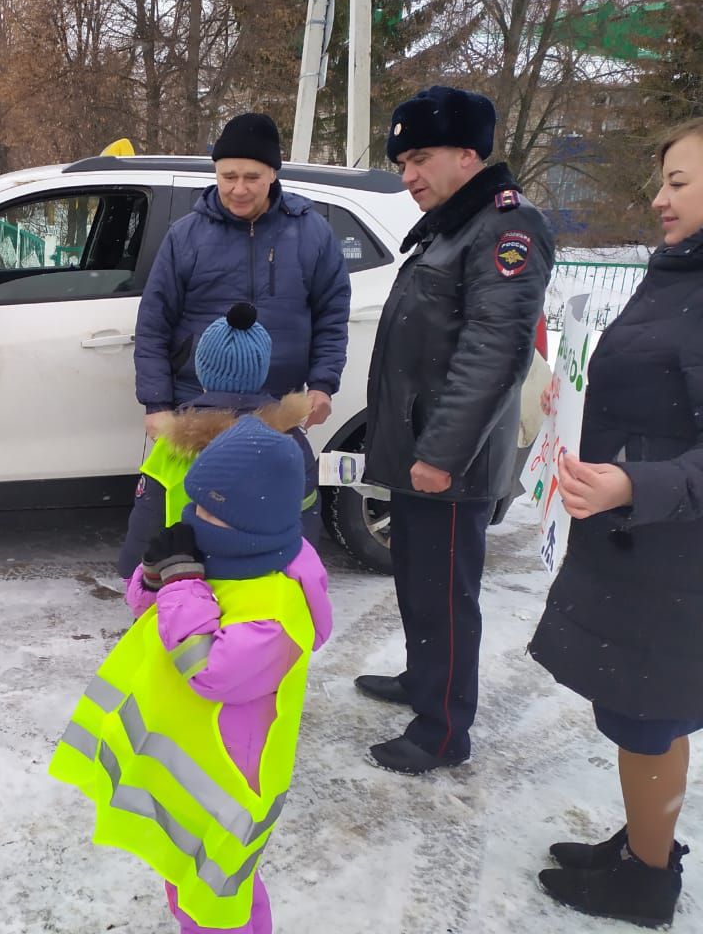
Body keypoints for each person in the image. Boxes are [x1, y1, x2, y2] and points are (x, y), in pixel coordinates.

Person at [52, 416, 332, 934]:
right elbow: (149, 614)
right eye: (195, 502)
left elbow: (211, 670)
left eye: (209, 511)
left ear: (254, 521)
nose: (194, 518)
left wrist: (182, 582)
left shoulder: (278, 608)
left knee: (216, 899)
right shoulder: (230, 556)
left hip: (230, 783)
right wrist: (157, 574)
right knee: (195, 881)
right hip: (190, 770)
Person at [528, 117, 703, 928]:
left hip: (672, 553)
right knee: (642, 713)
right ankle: (646, 845)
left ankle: (646, 880)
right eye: (661, 180)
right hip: (644, 547)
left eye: (680, 182)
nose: (660, 198)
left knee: (649, 715)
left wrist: (632, 481)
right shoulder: (679, 273)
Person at [355, 86, 554, 775]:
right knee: (416, 578)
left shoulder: (506, 229)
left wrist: (440, 453)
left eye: (418, 158)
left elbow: (496, 351)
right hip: (420, 447)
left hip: (451, 457)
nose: (407, 175)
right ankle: (422, 681)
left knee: (444, 591)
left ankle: (443, 731)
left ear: (468, 154)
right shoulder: (451, 225)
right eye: (402, 160)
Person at [134, 111, 352, 542]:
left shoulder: (310, 233)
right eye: (227, 175)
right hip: (198, 411)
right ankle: (194, 604)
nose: (238, 188)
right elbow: (154, 323)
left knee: (274, 526)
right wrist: (156, 404)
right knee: (194, 524)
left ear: (273, 172)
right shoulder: (186, 235)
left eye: (251, 176)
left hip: (278, 411)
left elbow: (332, 315)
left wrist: (323, 384)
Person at [116, 301, 311, 580]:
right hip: (264, 587)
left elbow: (148, 520)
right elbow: (306, 515)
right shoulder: (289, 442)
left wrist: (134, 572)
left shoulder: (175, 444)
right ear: (263, 370)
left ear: (202, 372)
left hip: (187, 583)